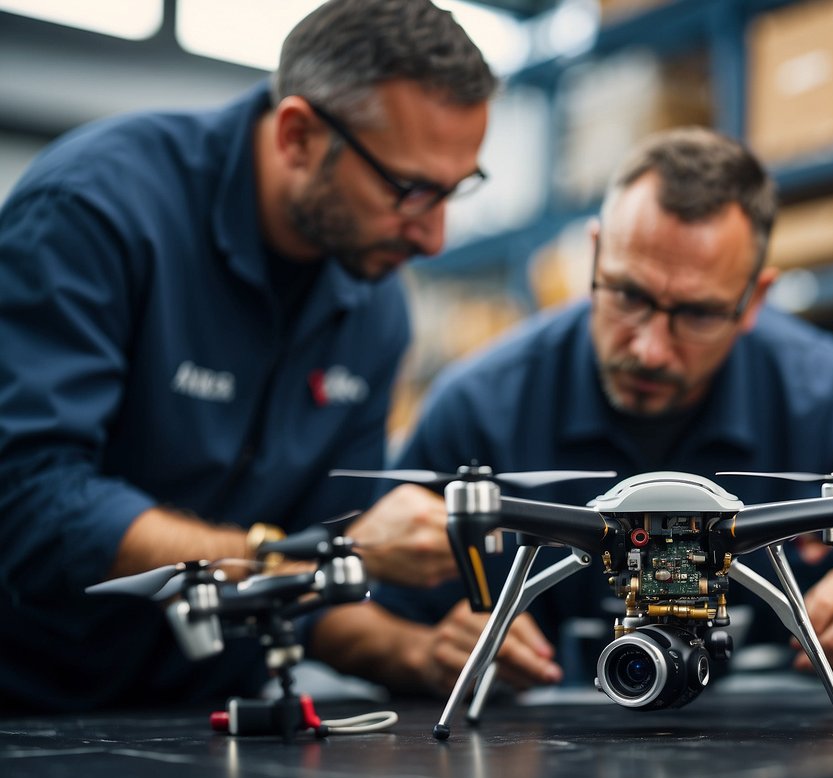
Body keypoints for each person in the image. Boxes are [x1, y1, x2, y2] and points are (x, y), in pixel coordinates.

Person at [311, 127, 833, 697]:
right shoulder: (481, 403)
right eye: (627, 296)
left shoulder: (829, 393)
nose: (649, 347)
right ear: (593, 257)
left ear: (753, 300)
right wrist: (422, 652)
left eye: (698, 314)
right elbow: (333, 609)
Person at [0, 0, 494, 713]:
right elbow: (30, 500)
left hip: (213, 718)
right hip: (26, 713)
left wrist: (417, 653)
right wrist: (302, 558)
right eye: (410, 191)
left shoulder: (372, 304)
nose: (435, 238)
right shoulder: (96, 209)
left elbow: (311, 590)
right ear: (297, 135)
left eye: (455, 191)